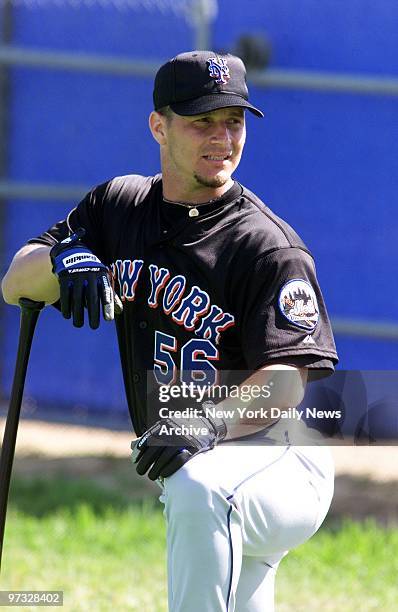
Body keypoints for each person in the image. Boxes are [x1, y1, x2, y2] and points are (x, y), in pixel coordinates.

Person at [2, 51, 338, 611]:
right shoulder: (120, 205)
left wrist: (206, 420)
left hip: (280, 459)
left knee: (199, 490)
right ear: (158, 125)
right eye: (201, 120)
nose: (222, 138)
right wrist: (65, 258)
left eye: (233, 121)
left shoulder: (265, 244)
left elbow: (286, 383)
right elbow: (16, 283)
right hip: (204, 459)